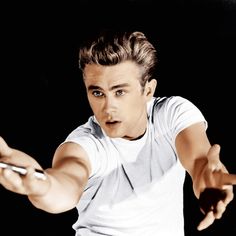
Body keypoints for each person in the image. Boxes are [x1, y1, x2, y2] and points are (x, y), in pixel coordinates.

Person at [0, 29, 235, 236]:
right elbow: (66, 186)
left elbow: (199, 161)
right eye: (97, 93)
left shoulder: (172, 114)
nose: (108, 107)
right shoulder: (83, 144)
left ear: (148, 90)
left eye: (120, 92)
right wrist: (40, 186)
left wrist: (211, 183)